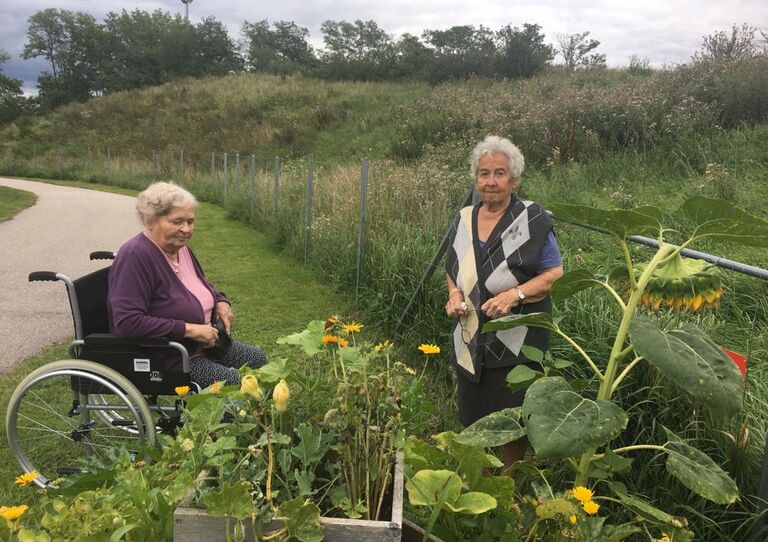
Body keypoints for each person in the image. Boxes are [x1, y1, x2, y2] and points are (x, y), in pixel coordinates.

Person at [445, 135, 563, 468]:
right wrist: (453, 295)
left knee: (513, 417)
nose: (491, 181)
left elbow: (554, 272)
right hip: (471, 340)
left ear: (515, 179)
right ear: (476, 179)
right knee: (474, 414)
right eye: (484, 173)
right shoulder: (464, 217)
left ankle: (509, 484)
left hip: (518, 341)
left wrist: (514, 295)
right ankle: (480, 477)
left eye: (499, 173)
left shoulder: (532, 218)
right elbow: (453, 268)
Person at [108, 181, 267, 388]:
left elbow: (200, 285)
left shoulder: (180, 248)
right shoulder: (135, 256)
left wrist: (220, 300)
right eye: (177, 222)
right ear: (151, 221)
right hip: (171, 356)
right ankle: (238, 419)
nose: (186, 229)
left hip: (206, 346)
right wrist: (190, 330)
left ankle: (266, 418)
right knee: (234, 385)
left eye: (190, 222)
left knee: (257, 360)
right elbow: (127, 322)